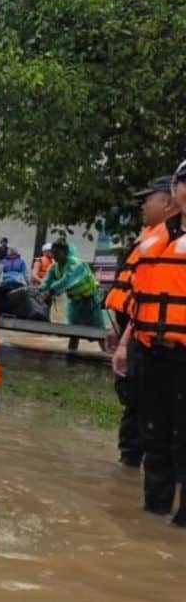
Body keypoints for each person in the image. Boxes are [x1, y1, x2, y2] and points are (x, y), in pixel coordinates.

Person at [113, 159, 186, 527]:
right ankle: (153, 516)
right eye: (184, 182)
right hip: (151, 348)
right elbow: (140, 298)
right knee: (153, 435)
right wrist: (126, 342)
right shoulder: (156, 239)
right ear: (175, 190)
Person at [105, 176, 176, 468]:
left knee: (149, 404)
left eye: (148, 198)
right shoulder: (150, 238)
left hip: (158, 340)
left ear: (169, 200)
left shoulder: (170, 241)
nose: (143, 205)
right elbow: (135, 292)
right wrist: (119, 332)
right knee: (134, 400)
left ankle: (140, 461)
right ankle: (131, 463)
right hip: (134, 333)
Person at [39, 239, 103, 327]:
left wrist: (50, 292)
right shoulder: (54, 267)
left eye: (57, 253)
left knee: (98, 332)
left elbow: (66, 281)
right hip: (74, 303)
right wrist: (38, 291)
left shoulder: (76, 264)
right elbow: (46, 282)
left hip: (90, 301)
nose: (54, 256)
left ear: (65, 252)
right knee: (73, 331)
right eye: (53, 253)